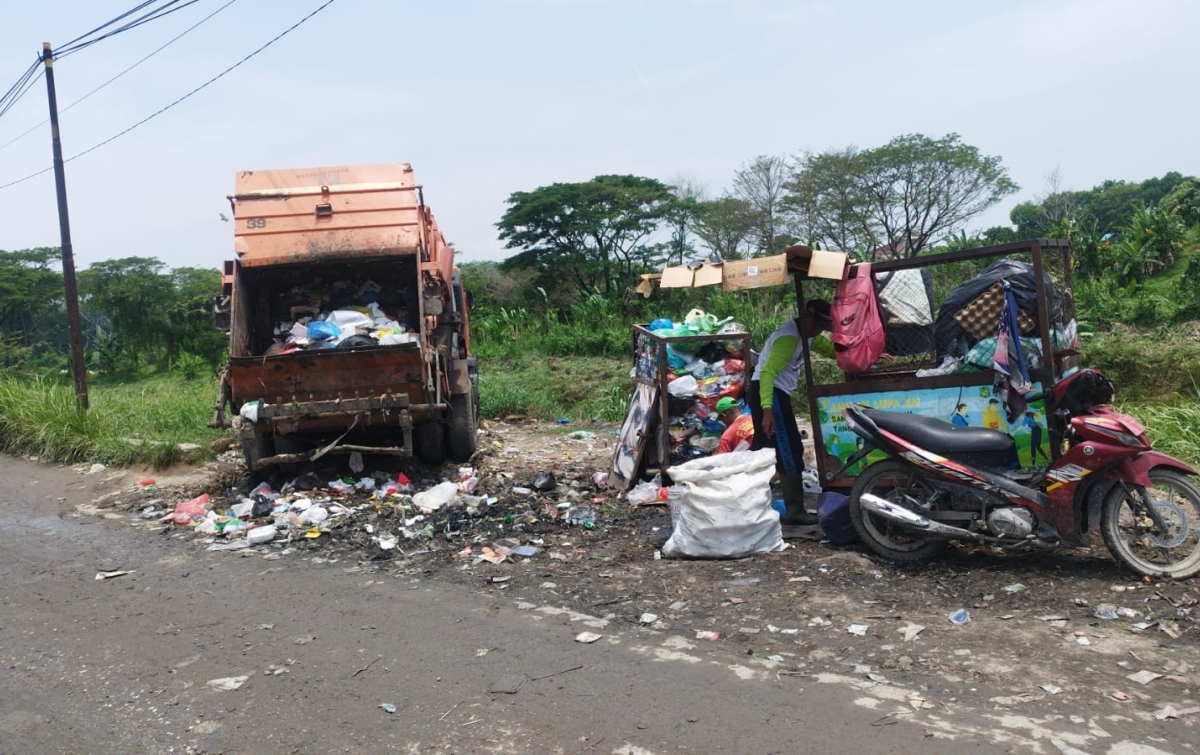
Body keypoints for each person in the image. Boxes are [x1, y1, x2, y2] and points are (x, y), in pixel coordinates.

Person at [748, 300, 833, 476]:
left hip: (776, 393)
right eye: (816, 325)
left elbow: (832, 351)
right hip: (769, 392)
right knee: (787, 449)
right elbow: (767, 373)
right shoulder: (789, 338)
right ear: (805, 317)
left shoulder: (809, 336)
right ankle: (793, 499)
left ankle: (763, 490)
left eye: (821, 327)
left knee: (769, 446)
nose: (818, 330)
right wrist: (767, 411)